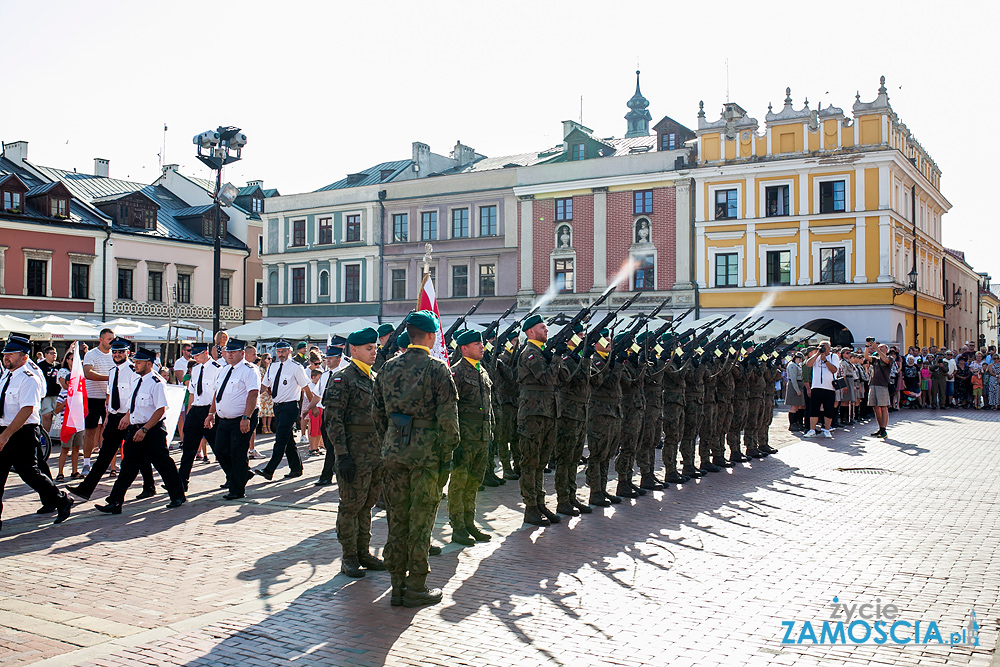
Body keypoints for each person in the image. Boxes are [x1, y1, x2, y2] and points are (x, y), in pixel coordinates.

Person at [373, 311, 459, 608]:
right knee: (421, 523)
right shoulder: (437, 369)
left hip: (394, 453)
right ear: (432, 336)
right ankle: (416, 586)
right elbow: (449, 421)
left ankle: (396, 585)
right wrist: (446, 458)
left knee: (397, 519)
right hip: (426, 457)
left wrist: (391, 441)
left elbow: (377, 414)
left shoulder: (386, 368)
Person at [322, 327, 386, 577]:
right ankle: (348, 556)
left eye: (375, 349)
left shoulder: (374, 377)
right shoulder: (342, 378)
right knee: (350, 506)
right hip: (354, 454)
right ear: (354, 350)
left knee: (367, 505)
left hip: (374, 453)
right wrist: (342, 455)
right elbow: (333, 420)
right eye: (369, 349)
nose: (374, 353)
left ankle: (363, 552)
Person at [95, 347, 186, 514]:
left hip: (152, 431)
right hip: (135, 429)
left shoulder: (157, 382)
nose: (135, 365)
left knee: (164, 464)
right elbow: (134, 405)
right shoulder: (137, 380)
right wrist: (127, 418)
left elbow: (160, 410)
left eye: (138, 362)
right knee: (128, 467)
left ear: (149, 364)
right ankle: (115, 502)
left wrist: (144, 429)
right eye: (135, 361)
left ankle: (177, 495)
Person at [67, 338, 156, 502]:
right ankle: (86, 489)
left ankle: (149, 486)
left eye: (120, 351)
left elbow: (135, 396)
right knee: (104, 455)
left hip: (128, 419)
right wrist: (108, 415)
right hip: (114, 418)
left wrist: (128, 416)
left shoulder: (132, 371)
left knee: (136, 456)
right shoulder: (113, 371)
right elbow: (110, 394)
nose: (117, 354)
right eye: (114, 351)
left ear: (127, 353)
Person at [0, 334, 74, 529]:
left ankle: (60, 500)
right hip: (4, 429)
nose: (6, 357)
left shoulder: (28, 378)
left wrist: (6, 434)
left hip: (21, 432)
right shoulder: (6, 376)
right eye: (5, 353)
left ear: (24, 357)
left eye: (11, 354)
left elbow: (26, 409)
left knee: (30, 473)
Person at [515, 314, 563, 526]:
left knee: (541, 462)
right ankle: (530, 507)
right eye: (542, 328)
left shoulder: (542, 352)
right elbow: (547, 378)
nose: (546, 331)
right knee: (530, 462)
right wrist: (558, 358)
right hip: (533, 415)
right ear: (530, 332)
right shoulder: (530, 354)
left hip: (547, 413)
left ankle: (539, 502)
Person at [448, 329, 495, 543]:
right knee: (459, 483)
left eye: (482, 343)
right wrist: (454, 439)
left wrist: (491, 432)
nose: (482, 347)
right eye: (477, 344)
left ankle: (469, 523)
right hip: (464, 439)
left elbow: (488, 406)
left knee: (474, 482)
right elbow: (451, 408)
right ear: (464, 348)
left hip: (482, 437)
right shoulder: (456, 373)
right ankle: (457, 527)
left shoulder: (482, 371)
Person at [208, 338, 260, 500]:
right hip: (224, 418)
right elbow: (218, 393)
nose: (229, 355)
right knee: (220, 449)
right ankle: (240, 475)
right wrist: (211, 413)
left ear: (242, 353)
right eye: (227, 352)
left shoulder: (249, 370)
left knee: (238, 452)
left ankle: (237, 489)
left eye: (233, 352)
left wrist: (246, 417)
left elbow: (253, 394)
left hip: (241, 417)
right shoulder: (224, 369)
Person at [255, 340, 313, 481]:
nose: (281, 354)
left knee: (280, 439)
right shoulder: (273, 367)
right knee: (287, 440)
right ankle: (296, 468)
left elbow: (305, 388)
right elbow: (264, 386)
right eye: (279, 352)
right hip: (277, 407)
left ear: (289, 351)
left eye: (284, 351)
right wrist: (251, 398)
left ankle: (269, 470)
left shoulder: (296, 367)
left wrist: (312, 406)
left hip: (290, 407)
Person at [554, 325, 595, 515]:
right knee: (565, 458)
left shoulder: (576, 358)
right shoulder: (565, 359)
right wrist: (585, 360)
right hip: (568, 414)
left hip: (580, 413)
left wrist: (585, 358)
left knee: (575, 459)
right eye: (579, 335)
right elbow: (573, 379)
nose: (582, 337)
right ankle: (563, 500)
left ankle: (572, 496)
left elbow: (591, 380)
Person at [176, 342, 219, 490]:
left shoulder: (216, 369)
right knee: (188, 449)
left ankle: (236, 476)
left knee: (218, 448)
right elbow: (193, 393)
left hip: (208, 410)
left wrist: (211, 414)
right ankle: (181, 482)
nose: (195, 356)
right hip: (196, 410)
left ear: (206, 353)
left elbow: (216, 394)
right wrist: (189, 413)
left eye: (198, 354)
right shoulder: (195, 369)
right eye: (193, 354)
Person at [82, 328, 116, 476]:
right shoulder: (91, 354)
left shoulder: (115, 356)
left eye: (112, 339)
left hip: (110, 398)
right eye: (109, 339)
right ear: (101, 339)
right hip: (93, 397)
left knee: (110, 432)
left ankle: (109, 464)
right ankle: (86, 463)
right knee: (90, 431)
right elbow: (88, 373)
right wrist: (109, 378)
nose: (111, 342)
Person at [315, 342, 347, 487]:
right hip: (325, 413)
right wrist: (308, 408)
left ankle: (326, 476)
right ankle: (335, 467)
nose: (327, 361)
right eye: (326, 358)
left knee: (333, 446)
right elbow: (317, 394)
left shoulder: (344, 374)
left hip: (337, 414)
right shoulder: (324, 375)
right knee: (329, 446)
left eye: (331, 358)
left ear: (339, 359)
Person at [803, 342, 839, 438]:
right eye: (821, 346)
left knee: (828, 409)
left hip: (829, 387)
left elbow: (834, 370)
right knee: (814, 409)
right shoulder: (816, 356)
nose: (822, 348)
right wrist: (818, 354)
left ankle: (827, 429)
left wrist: (825, 360)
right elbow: (808, 364)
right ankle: (812, 430)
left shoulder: (833, 356)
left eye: (825, 347)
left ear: (829, 348)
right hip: (816, 386)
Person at [865, 342, 891, 438]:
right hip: (873, 384)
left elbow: (886, 360)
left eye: (882, 347)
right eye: (879, 347)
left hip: (882, 385)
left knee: (883, 406)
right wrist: (867, 346)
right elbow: (866, 357)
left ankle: (884, 429)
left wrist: (877, 349)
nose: (880, 348)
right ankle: (880, 428)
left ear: (886, 349)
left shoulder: (890, 358)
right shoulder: (875, 359)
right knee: (875, 407)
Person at [37, 347, 60, 435]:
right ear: (46, 354)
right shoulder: (40, 366)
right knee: (46, 415)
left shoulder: (58, 365)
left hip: (57, 394)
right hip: (46, 394)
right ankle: (45, 436)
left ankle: (54, 435)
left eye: (55, 353)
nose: (54, 355)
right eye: (51, 353)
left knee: (57, 414)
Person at [784, 352, 806, 431]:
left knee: (797, 406)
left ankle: (796, 423)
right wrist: (797, 390)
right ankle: (792, 424)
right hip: (794, 386)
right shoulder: (792, 365)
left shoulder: (797, 365)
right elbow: (793, 379)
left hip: (798, 385)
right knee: (793, 407)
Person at [257, 353, 274, 434]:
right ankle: (264, 427)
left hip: (270, 391)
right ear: (264, 359)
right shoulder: (261, 369)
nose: (270, 360)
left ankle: (269, 426)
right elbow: (262, 380)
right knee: (264, 410)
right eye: (268, 358)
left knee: (270, 410)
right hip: (264, 391)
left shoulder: (270, 369)